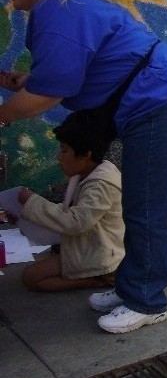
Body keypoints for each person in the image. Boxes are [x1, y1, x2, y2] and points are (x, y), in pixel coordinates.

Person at [0, 0, 167, 333]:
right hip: (162, 101)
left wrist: (4, 115)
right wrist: (30, 80)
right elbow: (67, 75)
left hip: (164, 103)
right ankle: (132, 286)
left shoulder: (57, 10)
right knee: (138, 201)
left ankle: (147, 300)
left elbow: (49, 91)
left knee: (149, 206)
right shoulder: (61, 7)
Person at [16, 111, 124, 292]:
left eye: (64, 150)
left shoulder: (101, 184)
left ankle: (100, 280)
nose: (59, 157)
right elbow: (73, 212)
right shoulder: (85, 174)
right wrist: (26, 210)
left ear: (85, 155)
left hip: (101, 254)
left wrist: (32, 203)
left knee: (31, 277)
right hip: (88, 245)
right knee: (37, 268)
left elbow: (76, 222)